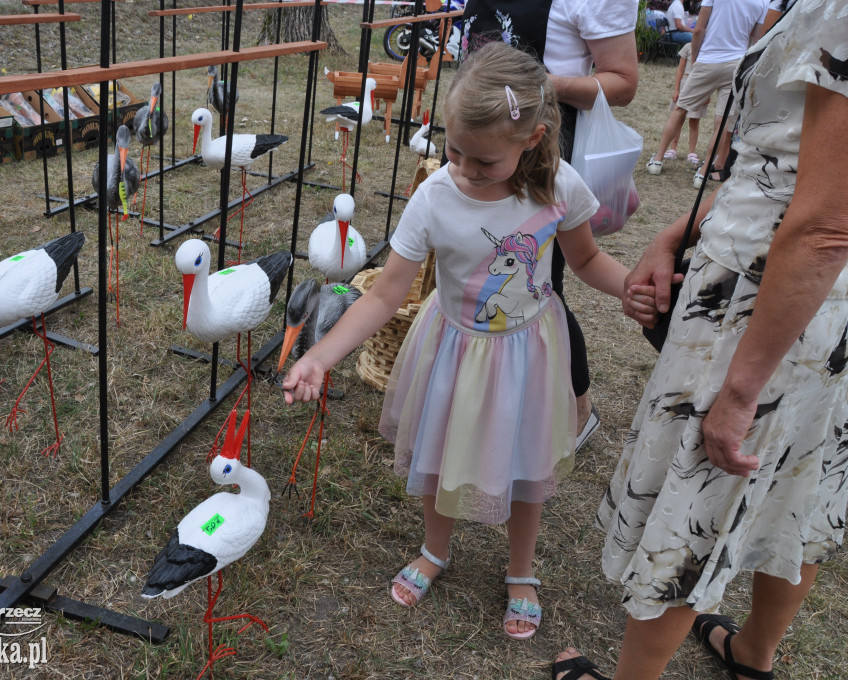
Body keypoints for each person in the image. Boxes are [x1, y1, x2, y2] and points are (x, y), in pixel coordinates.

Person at [284, 43, 655, 641]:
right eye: (453, 150)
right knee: (439, 455)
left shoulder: (559, 186)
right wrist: (320, 356)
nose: (462, 168)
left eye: (482, 161)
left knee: (526, 464)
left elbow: (586, 260)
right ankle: (436, 549)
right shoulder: (435, 196)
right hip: (452, 347)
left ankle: (521, 571)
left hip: (529, 354)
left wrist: (629, 289)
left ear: (531, 138)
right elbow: (382, 296)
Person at [553, 0, 848, 678]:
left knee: (699, 495)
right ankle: (752, 657)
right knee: (799, 485)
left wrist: (741, 391)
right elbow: (784, 161)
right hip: (807, 304)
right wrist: (673, 233)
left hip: (769, 306)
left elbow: (827, 224)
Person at [460, 0, 640, 452]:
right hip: (484, 143)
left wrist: (527, 88)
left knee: (542, 287)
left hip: (533, 157)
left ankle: (576, 407)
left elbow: (623, 82)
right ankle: (499, 400)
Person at [645, 0, 769, 183]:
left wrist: (694, 59)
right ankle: (703, 173)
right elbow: (756, 38)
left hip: (708, 59)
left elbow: (699, 28)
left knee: (680, 108)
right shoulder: (763, 2)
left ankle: (657, 160)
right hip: (736, 64)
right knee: (722, 121)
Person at [662, 43, 706, 166]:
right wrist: (676, 89)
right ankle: (673, 149)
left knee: (694, 121)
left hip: (700, 87)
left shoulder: (709, 49)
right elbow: (680, 69)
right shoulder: (688, 47)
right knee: (678, 119)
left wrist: (707, 94)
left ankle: (691, 153)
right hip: (684, 85)